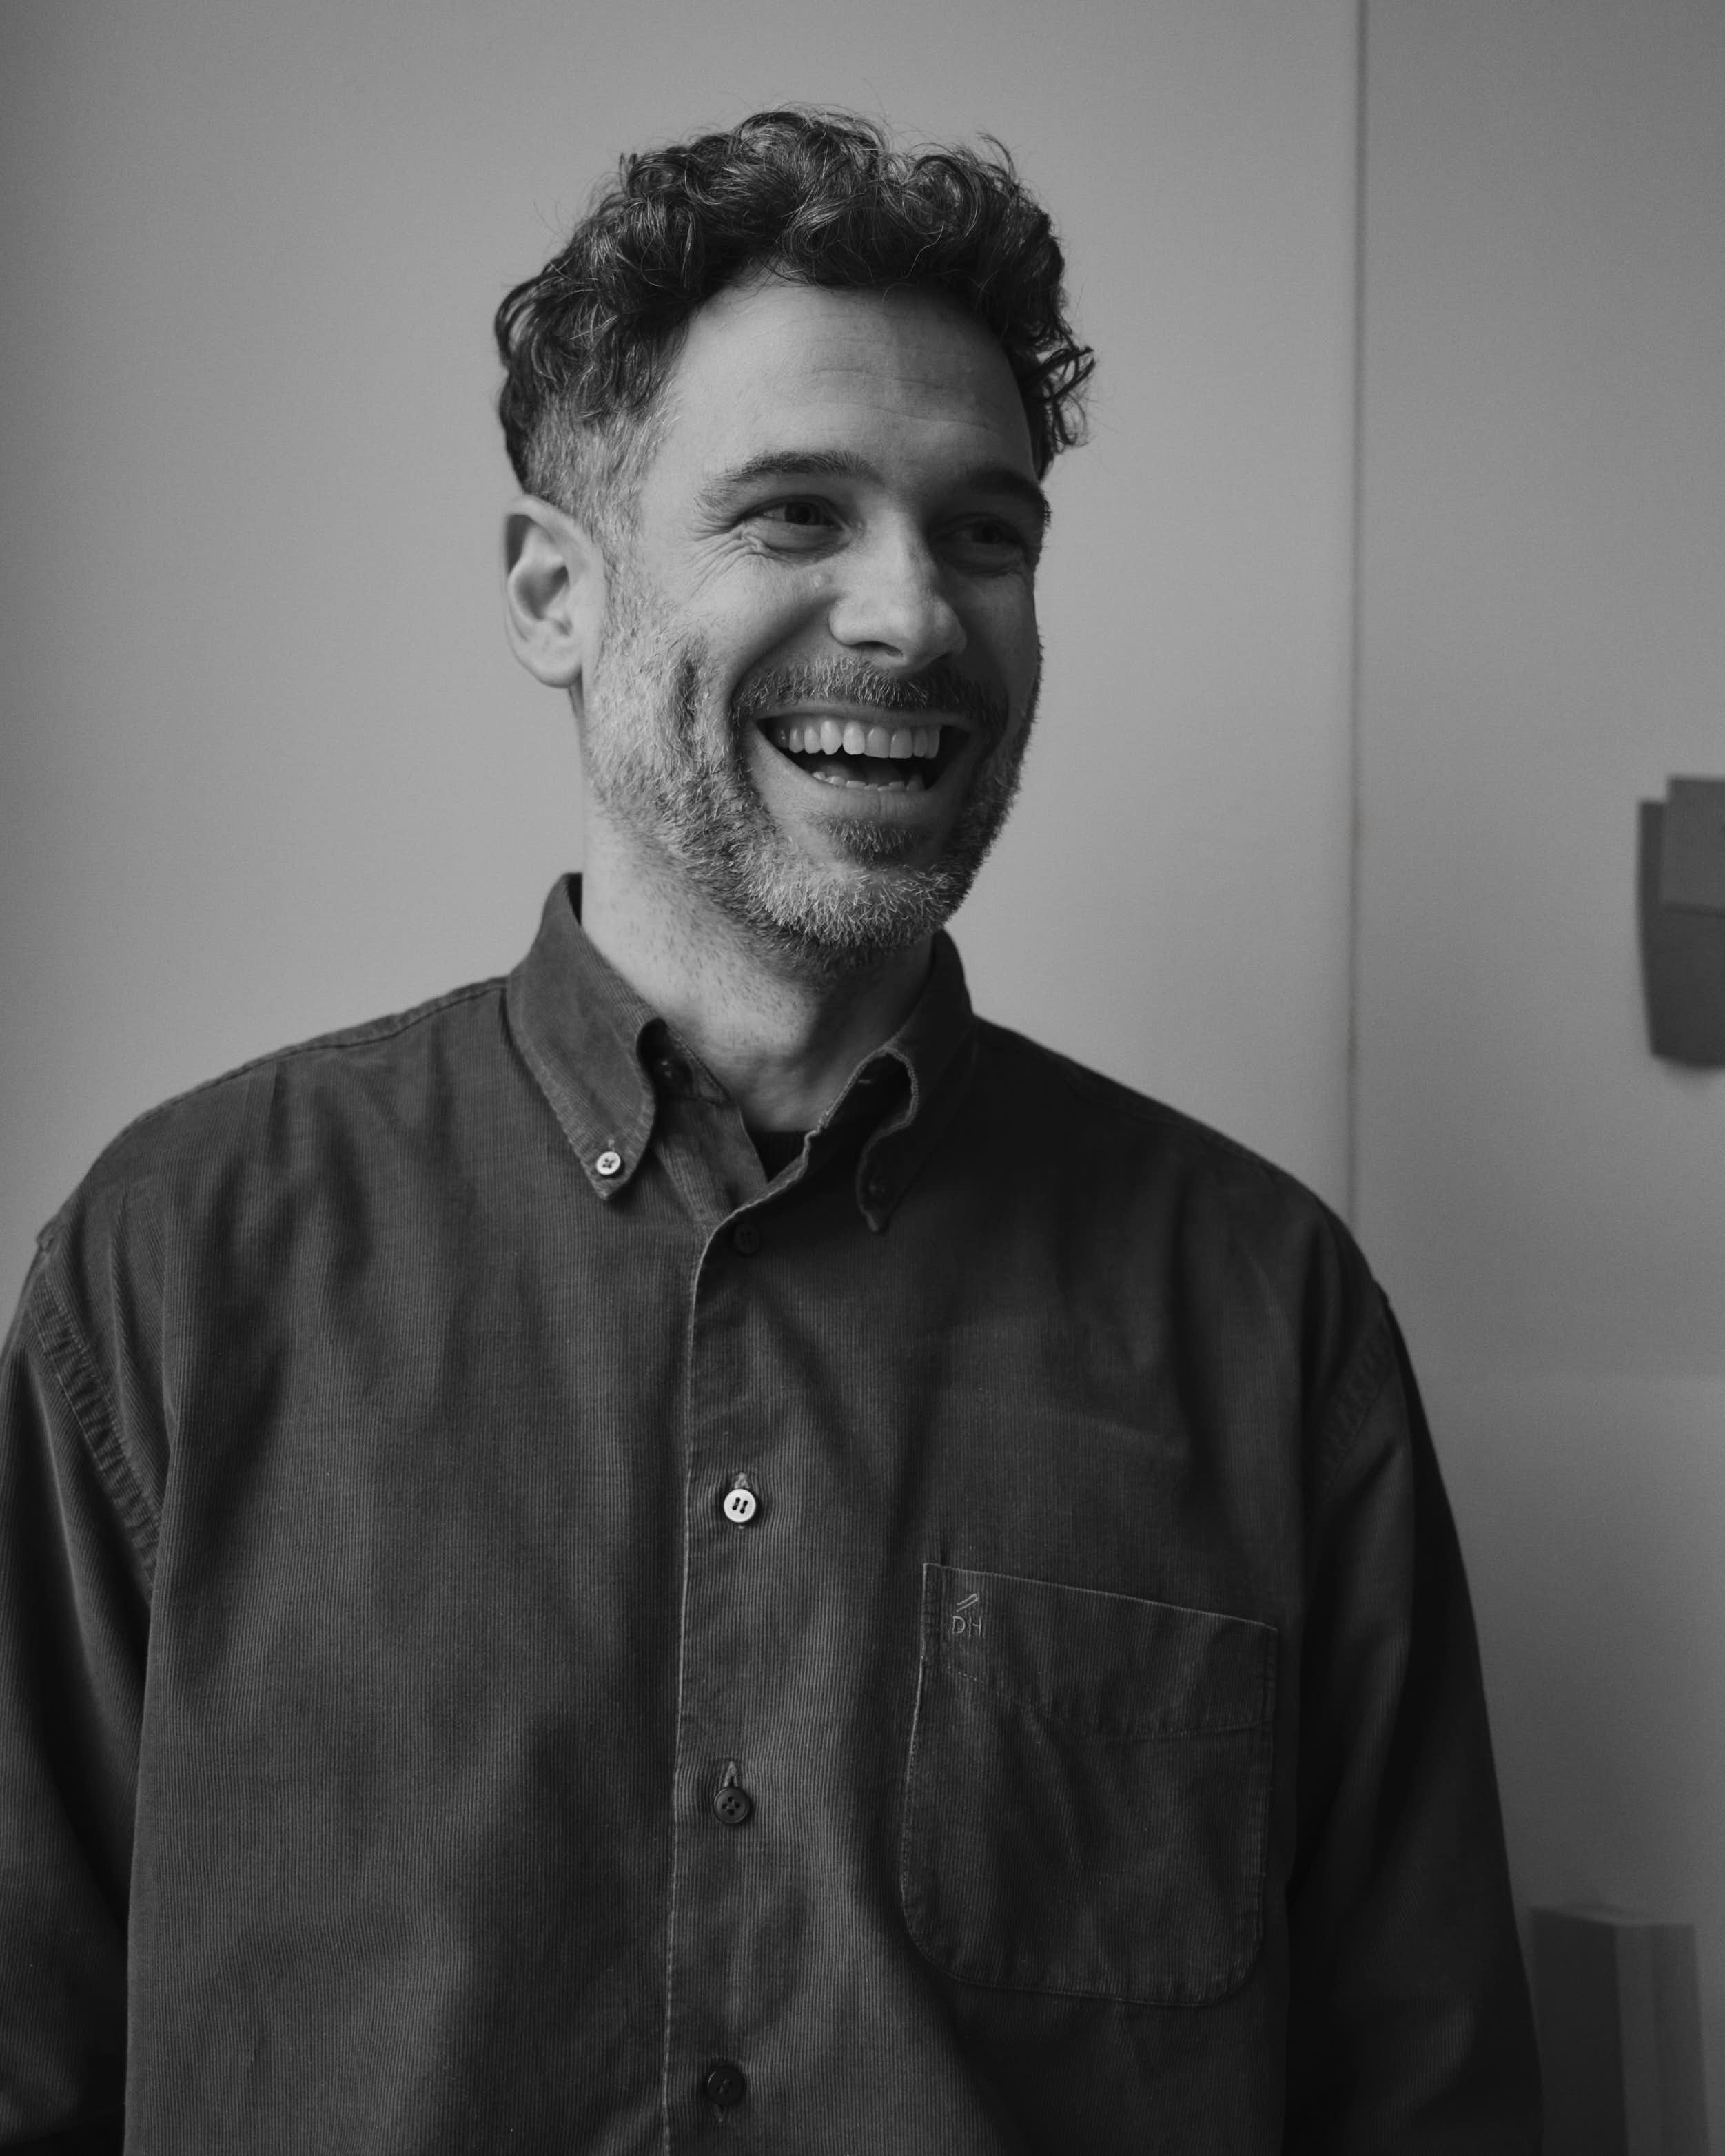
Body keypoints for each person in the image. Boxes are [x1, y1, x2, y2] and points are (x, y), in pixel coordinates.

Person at [0, 109, 1539, 2153]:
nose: (913, 614)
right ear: (559, 592)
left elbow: (1427, 2104)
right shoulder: (173, 1270)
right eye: (798, 515)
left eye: (984, 532)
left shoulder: (1272, 1321)